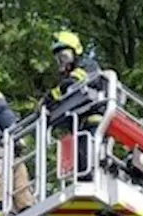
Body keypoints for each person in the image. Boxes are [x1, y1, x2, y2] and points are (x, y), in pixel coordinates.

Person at [42, 29, 105, 174]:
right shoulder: (72, 73)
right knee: (81, 164)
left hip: (93, 121)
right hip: (81, 125)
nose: (61, 61)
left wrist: (50, 97)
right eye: (58, 58)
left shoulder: (88, 65)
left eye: (64, 56)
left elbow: (71, 83)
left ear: (75, 52)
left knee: (87, 163)